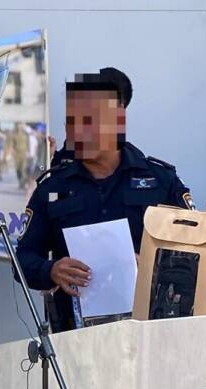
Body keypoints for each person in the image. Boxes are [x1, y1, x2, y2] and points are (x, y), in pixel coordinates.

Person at [17, 68, 193, 332]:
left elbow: (195, 252)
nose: (79, 132)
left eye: (89, 121)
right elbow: (24, 258)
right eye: (72, 122)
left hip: (153, 331)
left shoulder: (160, 181)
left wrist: (152, 265)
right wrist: (51, 270)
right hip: (76, 335)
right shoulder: (52, 188)